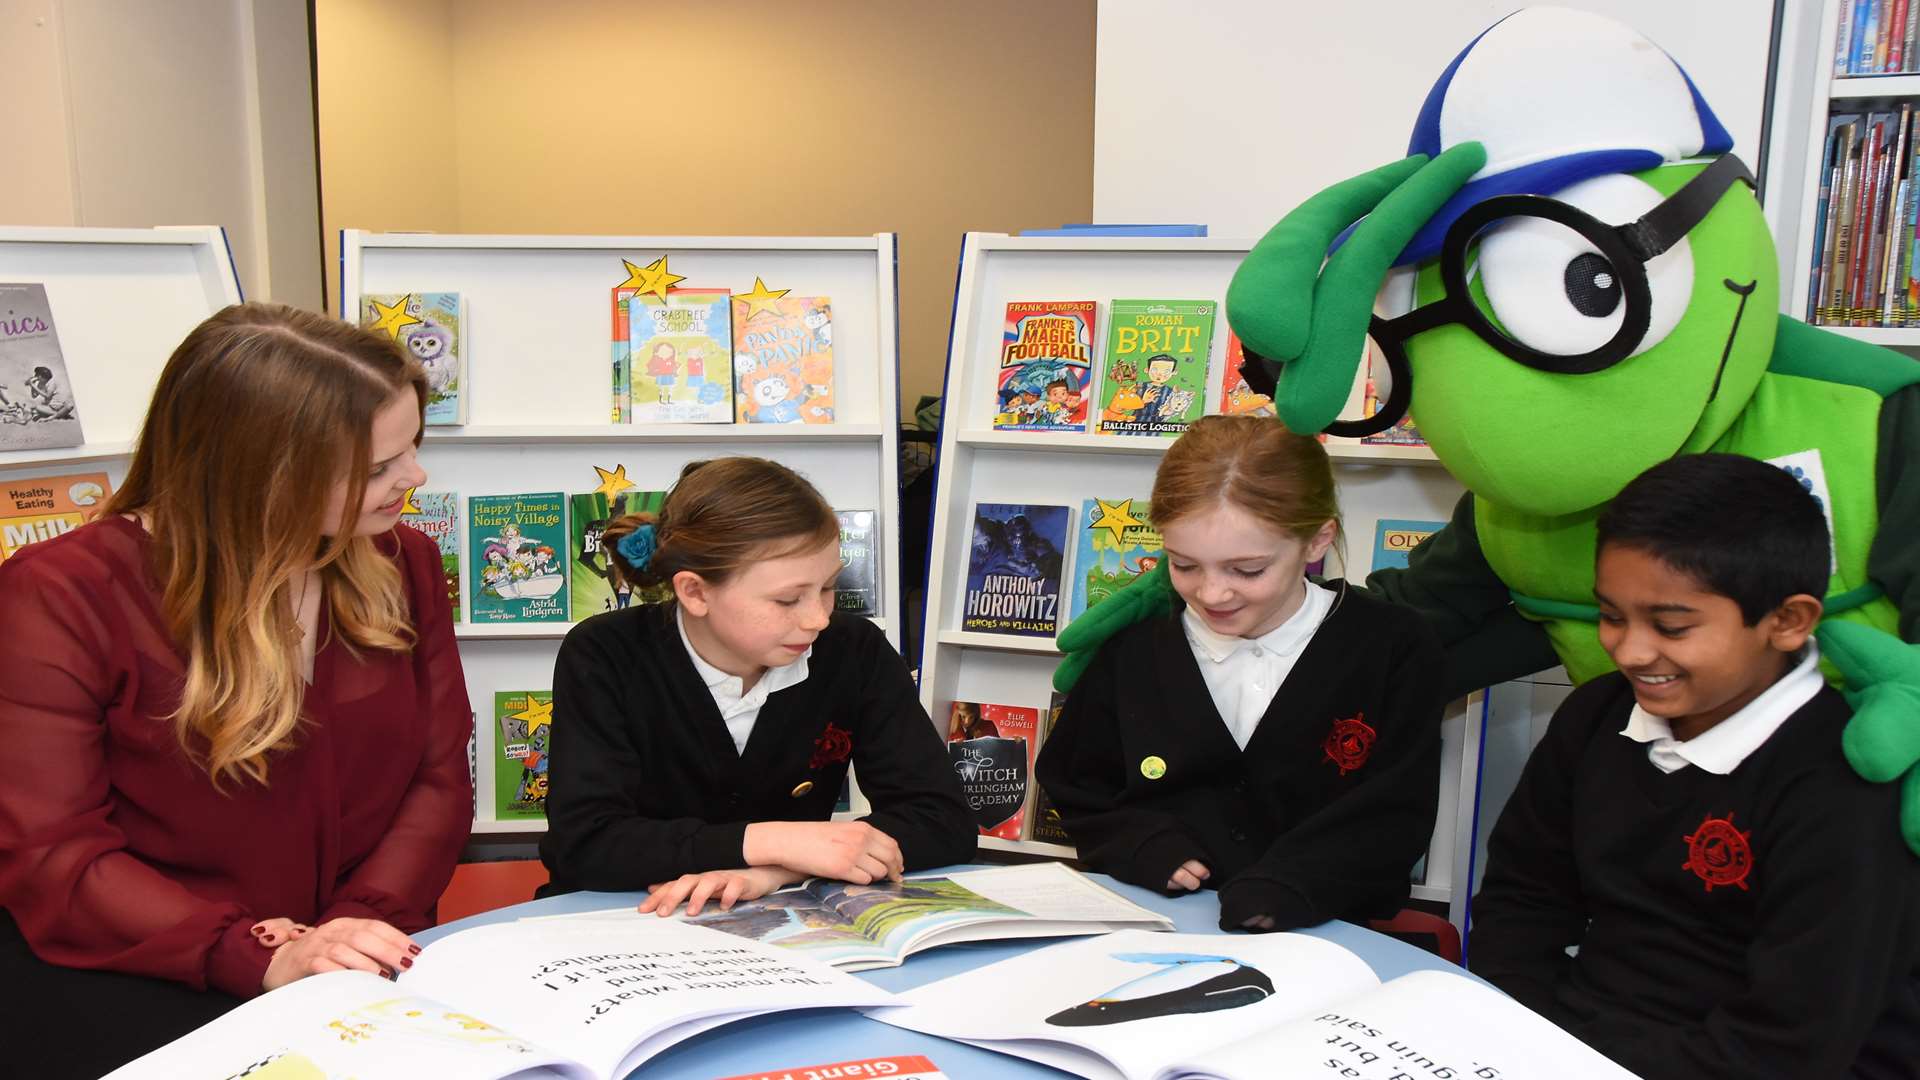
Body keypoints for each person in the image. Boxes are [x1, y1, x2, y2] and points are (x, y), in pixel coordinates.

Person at [0, 303, 474, 1078]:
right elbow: (56, 854)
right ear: (267, 474)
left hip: (350, 971)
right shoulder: (58, 596)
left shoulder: (402, 562)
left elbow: (438, 775)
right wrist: (265, 955)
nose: (413, 478)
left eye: (413, 448)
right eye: (380, 467)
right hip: (136, 983)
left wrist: (357, 927)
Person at [1468, 454, 1920, 1078]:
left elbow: (1792, 1041)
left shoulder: (1843, 783)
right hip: (1573, 1044)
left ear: (1787, 622)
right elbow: (1522, 901)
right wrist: (1523, 1031)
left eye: (1672, 626)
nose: (1629, 650)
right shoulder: (1596, 717)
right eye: (1610, 615)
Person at [1036, 414, 1445, 932]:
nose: (1212, 594)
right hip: (1158, 926)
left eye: (1247, 570)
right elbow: (1076, 783)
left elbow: (1394, 809)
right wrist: (1140, 844)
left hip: (1334, 935)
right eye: (1184, 565)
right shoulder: (1132, 650)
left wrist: (1297, 881)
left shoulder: (1393, 645)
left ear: (1317, 541)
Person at [539, 456, 975, 917]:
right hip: (619, 927)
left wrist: (777, 871)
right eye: (787, 599)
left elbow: (943, 821)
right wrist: (780, 841)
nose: (818, 618)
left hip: (784, 923)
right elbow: (585, 844)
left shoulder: (854, 650)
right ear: (695, 592)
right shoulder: (606, 652)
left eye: (828, 587)